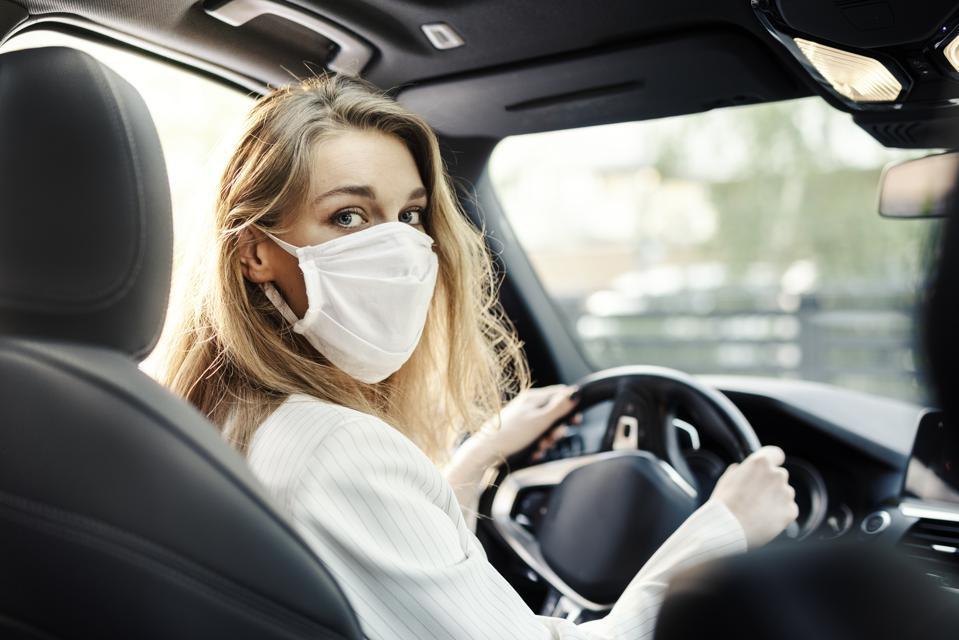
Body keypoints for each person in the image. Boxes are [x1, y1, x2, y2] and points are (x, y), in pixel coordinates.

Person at [161, 73, 798, 639]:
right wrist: (722, 531)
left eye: (411, 215)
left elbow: (393, 562)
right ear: (255, 252)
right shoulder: (338, 448)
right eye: (349, 217)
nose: (399, 249)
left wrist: (481, 455)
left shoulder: (229, 418)